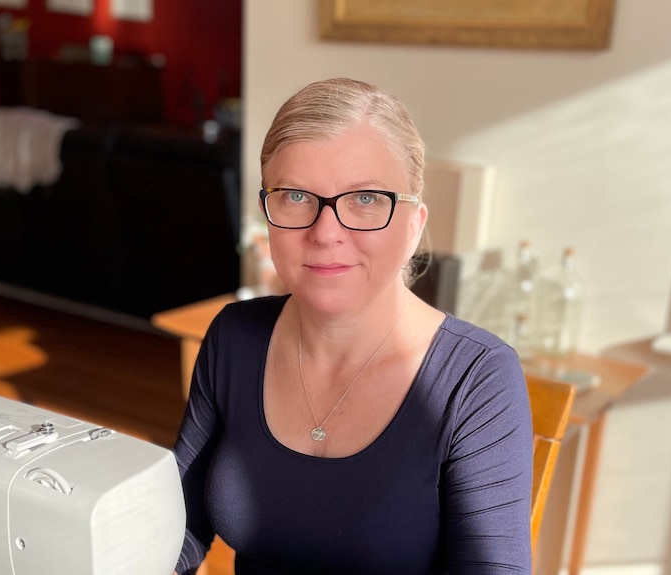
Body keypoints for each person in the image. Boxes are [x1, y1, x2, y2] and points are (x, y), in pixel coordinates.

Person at [174, 78, 533, 574]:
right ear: (267, 214)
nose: (326, 233)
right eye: (296, 196)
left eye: (365, 199)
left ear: (413, 226)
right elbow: (181, 528)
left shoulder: (478, 378)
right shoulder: (234, 336)